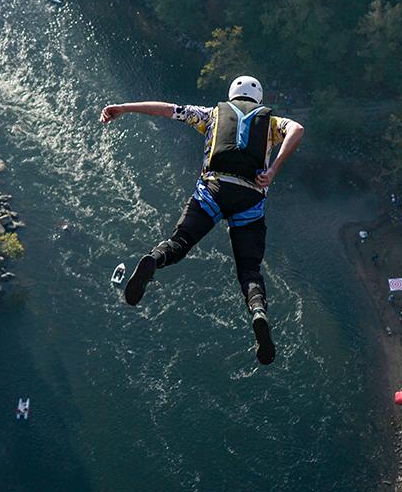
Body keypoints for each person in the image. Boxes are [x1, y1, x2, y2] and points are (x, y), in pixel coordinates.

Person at [100, 76, 304, 365]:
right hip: (249, 198)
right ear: (257, 100)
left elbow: (169, 109)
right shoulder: (271, 123)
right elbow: (298, 128)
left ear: (231, 96)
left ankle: (153, 260)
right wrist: (272, 171)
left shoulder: (211, 114)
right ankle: (258, 311)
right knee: (249, 270)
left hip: (213, 190)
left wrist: (124, 107)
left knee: (179, 242)